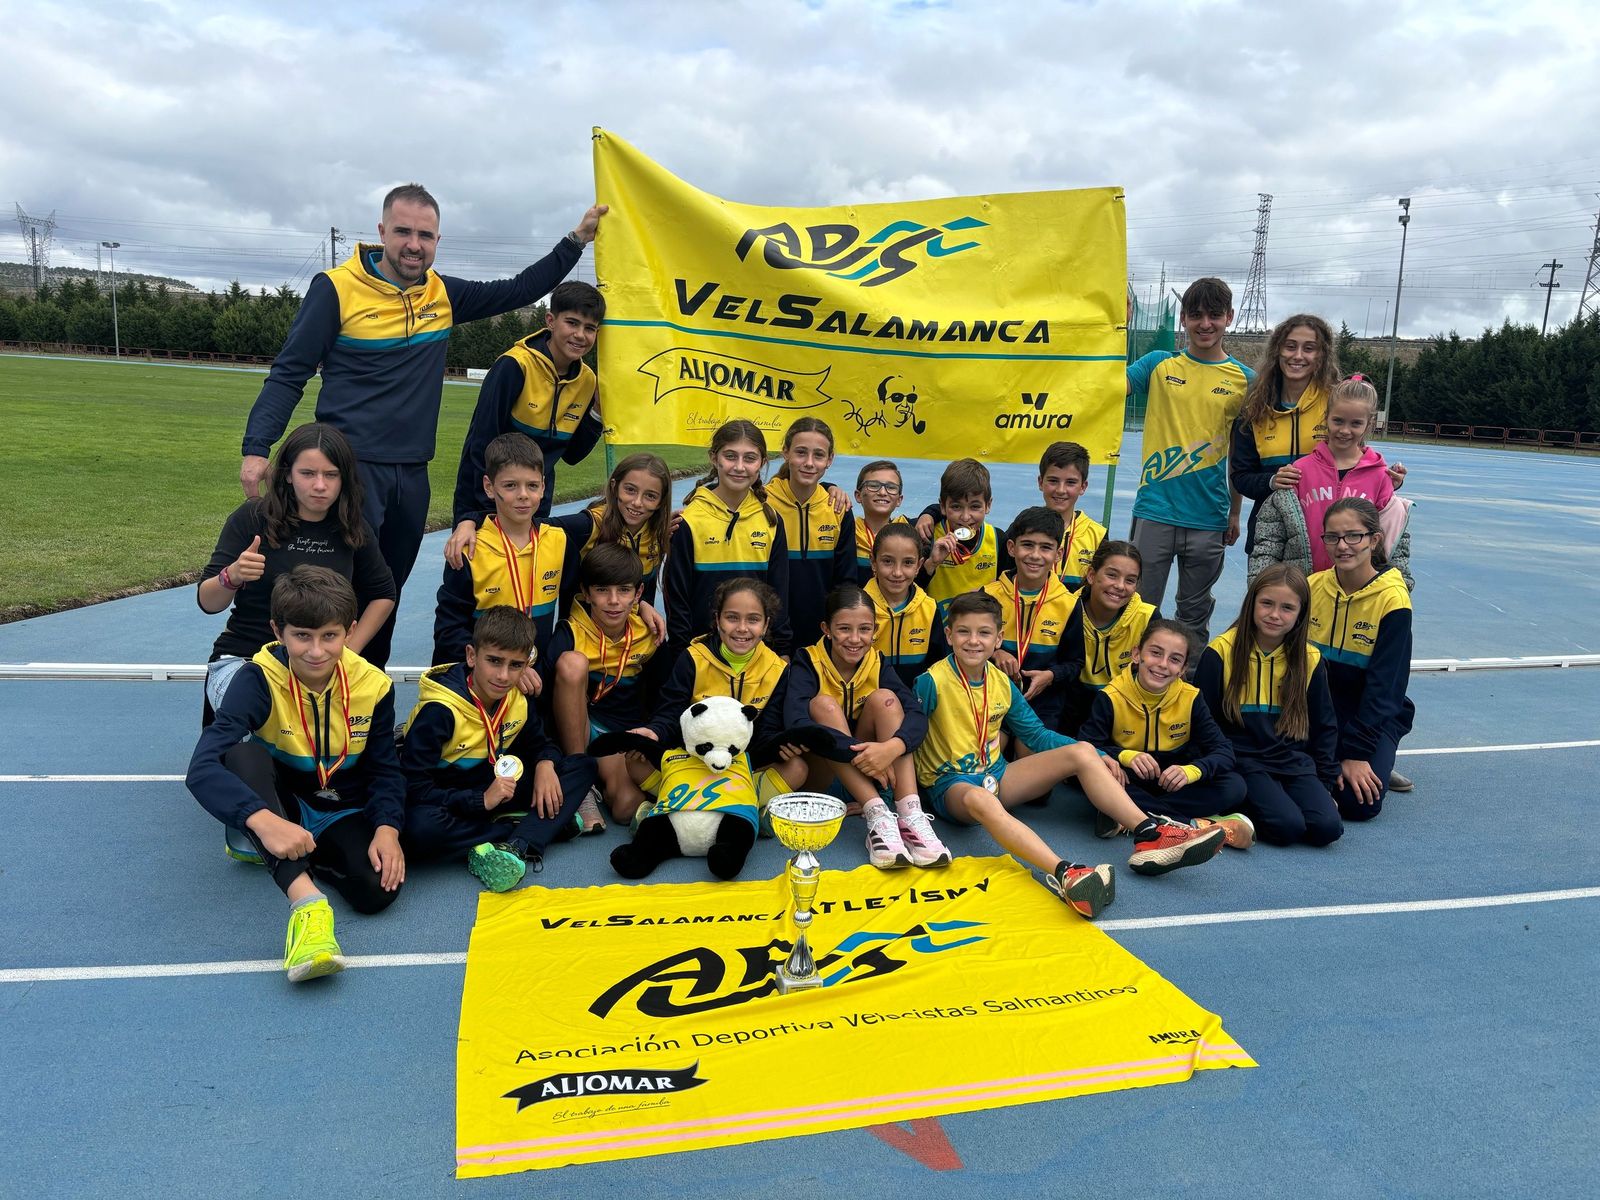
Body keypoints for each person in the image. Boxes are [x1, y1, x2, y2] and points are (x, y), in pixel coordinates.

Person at [239, 183, 606, 668]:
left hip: (411, 475)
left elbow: (519, 289)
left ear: (437, 240)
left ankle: (364, 712)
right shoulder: (335, 289)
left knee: (384, 595)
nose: (414, 244)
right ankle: (293, 705)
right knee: (330, 594)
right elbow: (290, 371)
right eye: (403, 232)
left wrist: (575, 242)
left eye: (426, 235)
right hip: (351, 469)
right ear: (381, 232)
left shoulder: (443, 294)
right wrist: (257, 445)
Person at [913, 592, 1225, 919]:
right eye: (964, 632)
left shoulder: (1001, 682)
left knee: (1082, 750)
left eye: (984, 633)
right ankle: (1067, 873)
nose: (974, 641)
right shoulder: (931, 682)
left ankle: (1150, 833)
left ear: (998, 639)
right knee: (982, 799)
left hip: (997, 776)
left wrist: (1100, 754)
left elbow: (1036, 734)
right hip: (953, 788)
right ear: (949, 635)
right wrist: (896, 799)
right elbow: (911, 741)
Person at [185, 566, 405, 983]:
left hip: (337, 802)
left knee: (377, 892)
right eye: (302, 635)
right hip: (279, 794)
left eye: (330, 636)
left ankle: (276, 843)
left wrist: (388, 827)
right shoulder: (257, 678)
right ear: (278, 631)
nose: (317, 651)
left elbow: (384, 768)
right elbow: (201, 768)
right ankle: (306, 902)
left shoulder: (373, 685)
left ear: (350, 630)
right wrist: (264, 820)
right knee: (242, 756)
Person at [198, 423, 394, 734]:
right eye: (308, 474)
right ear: (288, 474)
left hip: (319, 665)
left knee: (371, 706)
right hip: (248, 658)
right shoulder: (252, 518)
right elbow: (208, 603)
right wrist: (232, 575)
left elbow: (383, 593)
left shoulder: (352, 527)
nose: (320, 485)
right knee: (266, 721)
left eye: (331, 475)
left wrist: (346, 652)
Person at [401, 607, 597, 891]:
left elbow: (543, 744)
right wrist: (480, 800)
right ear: (471, 656)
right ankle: (521, 834)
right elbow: (414, 787)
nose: (504, 676)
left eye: (516, 665)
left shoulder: (516, 698)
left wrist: (545, 763)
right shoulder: (438, 712)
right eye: (494, 661)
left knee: (583, 766)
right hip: (451, 800)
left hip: (501, 786)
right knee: (416, 829)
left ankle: (511, 844)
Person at [783, 585, 948, 869]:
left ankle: (909, 815)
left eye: (864, 629)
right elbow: (796, 723)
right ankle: (877, 817)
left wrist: (890, 749)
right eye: (844, 629)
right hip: (823, 777)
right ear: (827, 629)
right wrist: (866, 758)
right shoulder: (807, 660)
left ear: (875, 631)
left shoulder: (877, 662)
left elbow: (916, 716)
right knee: (823, 706)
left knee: (886, 699)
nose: (855, 639)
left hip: (874, 777)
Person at [1126, 277, 1253, 643]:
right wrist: (1118, 327)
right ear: (1183, 318)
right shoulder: (1157, 365)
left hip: (1208, 517)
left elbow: (1241, 455)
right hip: (1155, 510)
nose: (1205, 324)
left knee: (1193, 617)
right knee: (1139, 611)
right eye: (1196, 315)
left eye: (1214, 315)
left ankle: (1191, 691)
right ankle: (1134, 689)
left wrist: (1233, 512)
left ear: (1229, 317)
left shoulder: (1246, 381)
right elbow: (1109, 383)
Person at [446, 281, 608, 563]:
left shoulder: (588, 381)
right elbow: (478, 447)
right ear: (551, 321)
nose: (580, 335)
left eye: (590, 328)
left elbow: (571, 455)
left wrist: (596, 413)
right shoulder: (514, 366)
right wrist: (468, 518)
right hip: (490, 506)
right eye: (572, 323)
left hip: (537, 505)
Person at [635, 578, 807, 827]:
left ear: (766, 624)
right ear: (717, 620)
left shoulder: (777, 669)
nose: (742, 628)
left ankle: (681, 806)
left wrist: (781, 746)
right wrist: (652, 732)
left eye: (753, 619)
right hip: (693, 762)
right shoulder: (692, 658)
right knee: (633, 761)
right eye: (732, 618)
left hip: (741, 765)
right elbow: (670, 713)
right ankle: (741, 807)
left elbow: (767, 730)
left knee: (797, 768)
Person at [1195, 564, 1343, 847]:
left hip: (1291, 762)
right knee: (1286, 828)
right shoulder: (1221, 652)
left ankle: (1277, 802)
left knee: (1326, 828)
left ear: (1301, 614)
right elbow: (1202, 722)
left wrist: (1325, 787)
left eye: (1287, 608)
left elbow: (1325, 727)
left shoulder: (1310, 659)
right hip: (1243, 761)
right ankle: (1227, 814)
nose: (1275, 615)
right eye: (1266, 603)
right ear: (1251, 604)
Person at [1078, 619, 1251, 846]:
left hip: (1174, 782)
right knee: (1098, 779)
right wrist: (1125, 755)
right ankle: (1194, 825)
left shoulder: (1191, 698)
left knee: (1235, 786)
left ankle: (1129, 816)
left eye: (1174, 659)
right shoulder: (1111, 696)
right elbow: (1085, 746)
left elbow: (1223, 750)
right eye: (1156, 653)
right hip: (1131, 778)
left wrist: (1192, 771)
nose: (1163, 664)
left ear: (1183, 669)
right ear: (1137, 654)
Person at [1307, 499, 1416, 820]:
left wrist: (1356, 754)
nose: (1342, 546)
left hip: (1370, 714)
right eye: (1333, 537)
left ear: (1374, 539)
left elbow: (1385, 689)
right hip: (1319, 713)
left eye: (1353, 536)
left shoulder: (1393, 601)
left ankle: (1380, 754)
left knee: (1358, 804)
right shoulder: (1312, 588)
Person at [546, 544, 665, 828]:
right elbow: (543, 704)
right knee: (573, 663)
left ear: (638, 594)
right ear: (586, 593)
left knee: (626, 808)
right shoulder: (570, 633)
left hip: (622, 735)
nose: (613, 601)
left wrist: (653, 732)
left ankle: (603, 779)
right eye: (602, 590)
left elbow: (666, 695)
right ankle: (579, 781)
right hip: (583, 729)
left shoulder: (649, 635)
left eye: (624, 590)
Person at [433, 433, 565, 675]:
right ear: (489, 487)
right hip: (483, 678)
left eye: (532, 485)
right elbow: (449, 630)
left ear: (543, 487)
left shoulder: (559, 539)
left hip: (539, 675)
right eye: (510, 485)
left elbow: (605, 516)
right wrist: (504, 666)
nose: (523, 494)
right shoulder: (468, 551)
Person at [664, 420, 791, 654]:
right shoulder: (689, 521)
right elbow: (677, 597)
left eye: (750, 458)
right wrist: (682, 652)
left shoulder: (771, 521)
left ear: (763, 462)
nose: (739, 467)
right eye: (730, 456)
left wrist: (780, 649)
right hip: (699, 653)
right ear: (714, 458)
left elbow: (779, 592)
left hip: (757, 653)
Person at [1230, 314, 1338, 553]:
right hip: (1268, 534)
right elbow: (1241, 476)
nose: (1298, 356)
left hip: (1322, 534)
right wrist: (1271, 481)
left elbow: (1353, 462)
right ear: (1277, 351)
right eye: (1290, 346)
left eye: (1309, 348)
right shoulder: (1253, 408)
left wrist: (1384, 477)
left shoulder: (1336, 402)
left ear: (1321, 356)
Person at [982, 507, 1078, 730]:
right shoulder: (988, 596)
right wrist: (995, 651)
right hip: (992, 699)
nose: (1035, 555)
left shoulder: (1069, 603)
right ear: (1012, 548)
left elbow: (1075, 663)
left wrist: (1051, 675)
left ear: (1058, 555)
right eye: (1028, 545)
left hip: (1042, 705)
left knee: (1031, 754)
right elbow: (964, 647)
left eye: (1046, 547)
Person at [540, 452, 673, 613]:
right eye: (630, 490)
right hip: (584, 633)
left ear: (661, 502)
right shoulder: (588, 525)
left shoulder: (657, 535)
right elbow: (530, 526)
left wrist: (643, 605)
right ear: (614, 487)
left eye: (650, 496)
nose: (637, 502)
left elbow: (644, 591)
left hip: (632, 634)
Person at [766, 417, 856, 650]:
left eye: (818, 455)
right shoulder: (762, 503)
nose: (809, 463)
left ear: (830, 459)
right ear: (785, 452)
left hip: (822, 636)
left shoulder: (837, 509)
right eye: (801, 452)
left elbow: (845, 581)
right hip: (767, 634)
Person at [1057, 541, 1159, 735]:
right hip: (1069, 708)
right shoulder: (1064, 609)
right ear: (1092, 575)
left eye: (1130, 580)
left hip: (1122, 714)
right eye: (1112, 575)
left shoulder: (1147, 618)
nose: (1120, 586)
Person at [918, 458, 1007, 618]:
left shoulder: (998, 540)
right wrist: (931, 564)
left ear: (988, 505)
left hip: (979, 636)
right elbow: (907, 590)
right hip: (936, 636)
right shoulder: (928, 535)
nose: (966, 517)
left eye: (975, 506)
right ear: (943, 506)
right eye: (956, 507)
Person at [865, 524, 947, 687]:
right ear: (873, 562)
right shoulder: (858, 609)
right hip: (869, 704)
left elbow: (938, 668)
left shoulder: (929, 609)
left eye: (908, 563)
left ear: (918, 566)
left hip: (916, 705)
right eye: (888, 561)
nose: (897, 572)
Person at [1036, 441, 1107, 590]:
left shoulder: (1097, 535)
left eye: (1071, 482)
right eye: (1053, 481)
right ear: (1041, 482)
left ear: (1083, 487)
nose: (1061, 490)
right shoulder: (1024, 528)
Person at [852, 460, 910, 575]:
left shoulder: (912, 530)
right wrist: (830, 487)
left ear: (899, 499)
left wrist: (930, 514)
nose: (883, 492)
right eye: (873, 485)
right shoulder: (846, 532)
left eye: (891, 487)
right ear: (858, 496)